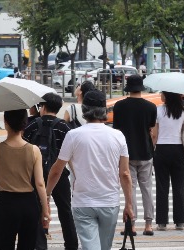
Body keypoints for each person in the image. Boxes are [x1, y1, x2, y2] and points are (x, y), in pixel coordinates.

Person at [46, 90, 134, 250]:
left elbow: (57, 169)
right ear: (105, 110)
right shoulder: (118, 136)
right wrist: (129, 204)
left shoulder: (73, 135)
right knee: (104, 247)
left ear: (84, 110)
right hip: (109, 202)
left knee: (91, 246)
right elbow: (125, 173)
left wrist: (46, 194)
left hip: (83, 203)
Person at [0, 109, 50, 250]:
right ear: (24, 123)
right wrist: (45, 211)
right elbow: (40, 183)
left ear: (5, 122)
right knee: (27, 245)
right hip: (28, 204)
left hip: (5, 203)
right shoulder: (34, 150)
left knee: (3, 245)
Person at [23, 93, 79, 250]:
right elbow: (71, 156)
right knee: (65, 211)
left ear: (43, 107)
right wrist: (76, 177)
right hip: (60, 175)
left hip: (35, 175)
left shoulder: (32, 125)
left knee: (36, 210)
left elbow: (24, 149)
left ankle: (39, 245)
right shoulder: (65, 127)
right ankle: (71, 244)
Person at [113, 75, 157, 236]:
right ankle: (149, 225)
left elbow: (117, 130)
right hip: (146, 152)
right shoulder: (151, 107)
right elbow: (151, 130)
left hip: (126, 153)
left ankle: (131, 225)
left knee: (129, 189)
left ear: (128, 88)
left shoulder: (119, 106)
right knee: (147, 188)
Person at [151, 91, 184, 231]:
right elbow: (183, 132)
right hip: (178, 150)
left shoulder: (158, 110)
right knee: (179, 187)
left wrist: (152, 149)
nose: (160, 95)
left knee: (162, 187)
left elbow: (154, 134)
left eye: (162, 93)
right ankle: (180, 221)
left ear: (166, 96)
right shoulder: (183, 111)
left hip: (162, 149)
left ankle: (162, 222)